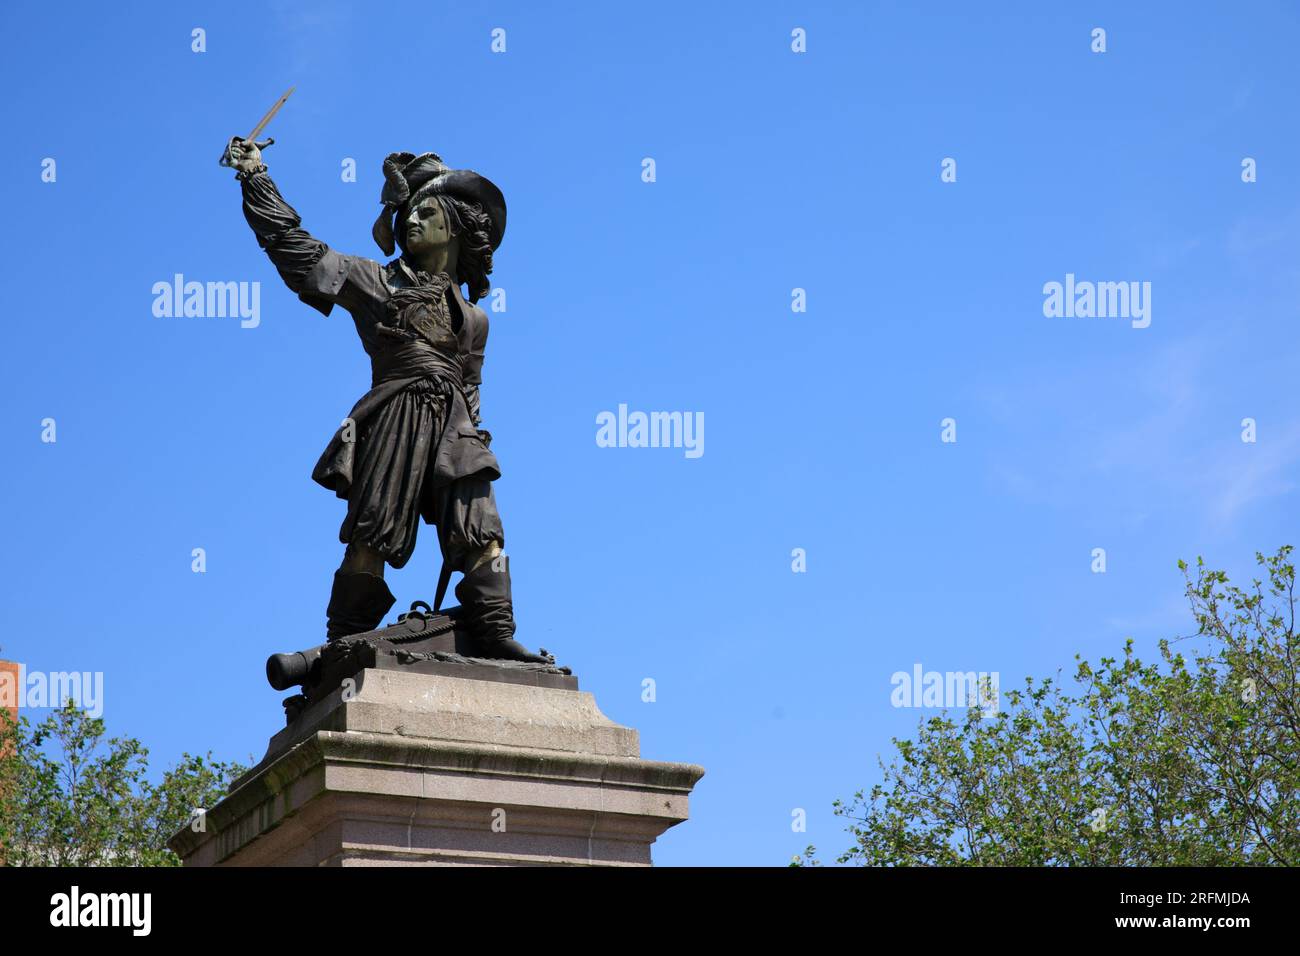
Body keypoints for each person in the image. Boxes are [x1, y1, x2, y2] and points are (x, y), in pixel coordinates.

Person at [225, 139, 548, 664]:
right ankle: (341, 647)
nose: (411, 221)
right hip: (395, 414)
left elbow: (470, 389)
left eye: (426, 211)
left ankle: (495, 628)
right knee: (372, 535)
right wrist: (255, 178)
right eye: (407, 213)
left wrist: (475, 439)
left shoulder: (476, 320)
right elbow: (298, 252)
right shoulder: (376, 282)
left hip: (457, 427)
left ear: (457, 225)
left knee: (481, 529)